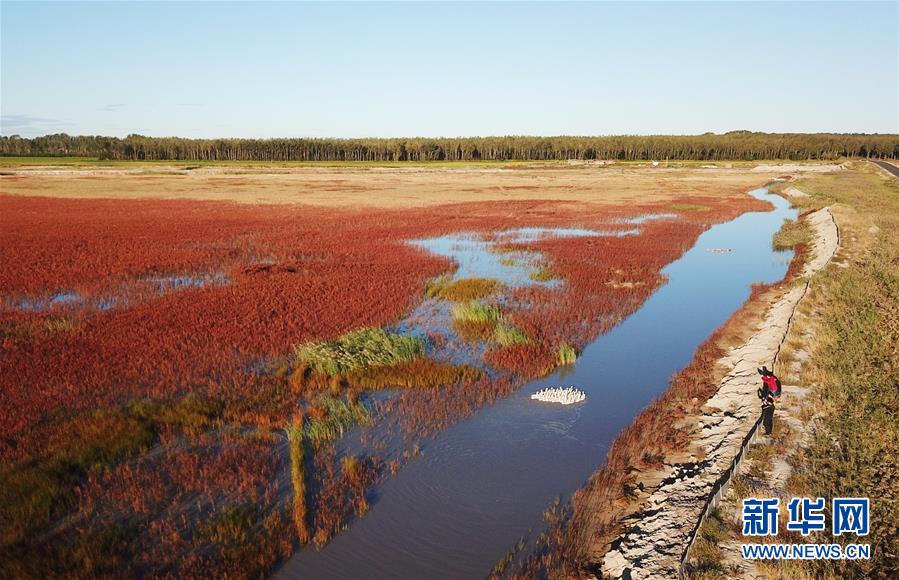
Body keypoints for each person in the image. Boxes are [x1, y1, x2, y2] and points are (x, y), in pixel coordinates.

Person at [756, 366, 781, 435]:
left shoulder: (773, 386)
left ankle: (768, 432)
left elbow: (768, 383)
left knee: (767, 420)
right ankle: (768, 432)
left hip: (770, 405)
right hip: (770, 406)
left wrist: (765, 400)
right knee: (767, 420)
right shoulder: (773, 388)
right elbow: (769, 382)